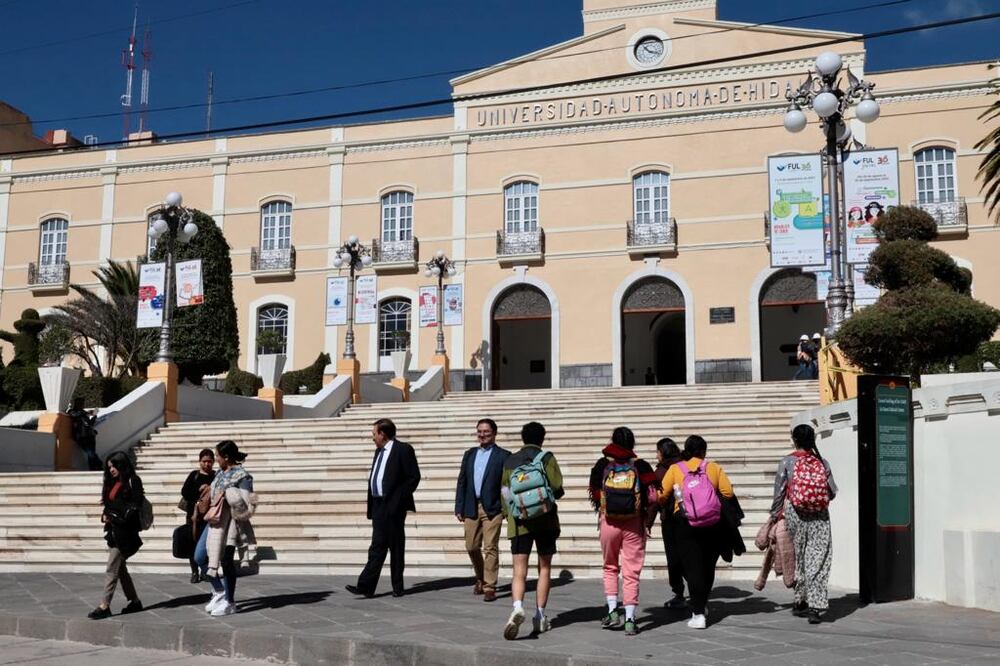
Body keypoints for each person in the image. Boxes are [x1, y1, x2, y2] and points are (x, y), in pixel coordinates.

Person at [587, 427, 658, 636]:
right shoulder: (641, 466)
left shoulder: (603, 465)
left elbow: (594, 491)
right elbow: (654, 497)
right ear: (632, 444)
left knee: (610, 567)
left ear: (613, 441)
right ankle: (630, 618)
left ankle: (611, 611)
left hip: (608, 522)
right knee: (631, 571)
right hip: (634, 524)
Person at [659, 435, 734, 629]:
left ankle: (698, 613)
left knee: (692, 567)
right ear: (704, 451)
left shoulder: (676, 469)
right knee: (707, 566)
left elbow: (663, 494)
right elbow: (728, 492)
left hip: (685, 523)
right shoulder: (713, 467)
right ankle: (703, 603)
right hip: (712, 523)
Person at [500, 421, 564, 640]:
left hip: (519, 524)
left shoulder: (510, 460)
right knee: (544, 568)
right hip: (546, 520)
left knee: (519, 570)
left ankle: (517, 606)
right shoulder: (546, 458)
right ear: (542, 438)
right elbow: (557, 486)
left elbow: (505, 491)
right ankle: (540, 615)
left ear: (522, 437)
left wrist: (513, 511)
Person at [347, 418, 421, 598]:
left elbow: (413, 477)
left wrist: (397, 499)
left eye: (374, 434)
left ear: (383, 434)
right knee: (377, 546)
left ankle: (397, 586)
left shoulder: (403, 449)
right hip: (378, 505)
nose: (373, 438)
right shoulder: (378, 452)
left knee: (396, 546)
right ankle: (366, 586)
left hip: (394, 506)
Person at [771, 424, 838, 624]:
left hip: (795, 513)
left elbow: (779, 491)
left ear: (795, 440)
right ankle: (815, 607)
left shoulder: (786, 462)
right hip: (819, 515)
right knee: (818, 557)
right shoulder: (822, 462)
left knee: (799, 555)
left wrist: (775, 515)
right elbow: (832, 492)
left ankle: (800, 600)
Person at [194, 440, 256, 617]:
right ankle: (219, 591)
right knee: (199, 556)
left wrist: (230, 496)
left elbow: (247, 504)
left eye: (218, 456)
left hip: (232, 524)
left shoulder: (243, 476)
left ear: (226, 457)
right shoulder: (220, 473)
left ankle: (230, 601)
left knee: (227, 561)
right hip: (214, 521)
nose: (216, 460)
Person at [455, 418, 511, 602]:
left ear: (494, 433)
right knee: (471, 546)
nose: (482, 434)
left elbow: (506, 484)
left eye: (486, 431)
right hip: (471, 505)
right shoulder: (469, 454)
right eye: (480, 431)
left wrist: (507, 507)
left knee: (491, 547)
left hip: (492, 508)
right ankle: (480, 576)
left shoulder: (503, 455)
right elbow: (462, 481)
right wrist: (459, 506)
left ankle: (489, 586)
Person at [88, 451, 144, 619]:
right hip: (114, 531)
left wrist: (113, 516)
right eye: (109, 467)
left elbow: (135, 506)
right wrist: (106, 515)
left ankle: (105, 605)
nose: (111, 470)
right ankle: (135, 601)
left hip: (126, 533)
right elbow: (109, 505)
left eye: (114, 466)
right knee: (120, 570)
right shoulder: (112, 483)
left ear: (122, 464)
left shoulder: (133, 481)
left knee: (112, 567)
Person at [653, 437, 686, 609]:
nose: (656, 455)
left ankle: (679, 593)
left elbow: (656, 499)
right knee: (689, 555)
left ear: (663, 452)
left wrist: (647, 522)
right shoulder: (686, 464)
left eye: (658, 451)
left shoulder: (661, 472)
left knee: (673, 557)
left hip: (670, 520)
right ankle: (698, 590)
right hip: (690, 517)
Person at [181, 448, 216, 583]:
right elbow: (184, 492)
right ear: (199, 461)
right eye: (204, 461)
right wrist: (198, 490)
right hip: (194, 516)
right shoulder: (194, 475)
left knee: (207, 545)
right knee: (192, 544)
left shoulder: (215, 475)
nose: (207, 464)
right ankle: (194, 572)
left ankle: (205, 570)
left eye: (210, 462)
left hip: (209, 515)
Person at [68, 397, 101, 471]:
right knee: (90, 453)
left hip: (90, 435)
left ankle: (93, 469)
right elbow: (75, 415)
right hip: (81, 436)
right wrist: (87, 413)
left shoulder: (84, 412)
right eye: (81, 403)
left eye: (83, 403)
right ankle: (99, 464)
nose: (83, 405)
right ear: (76, 404)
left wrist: (94, 416)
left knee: (91, 454)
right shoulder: (72, 411)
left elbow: (90, 424)